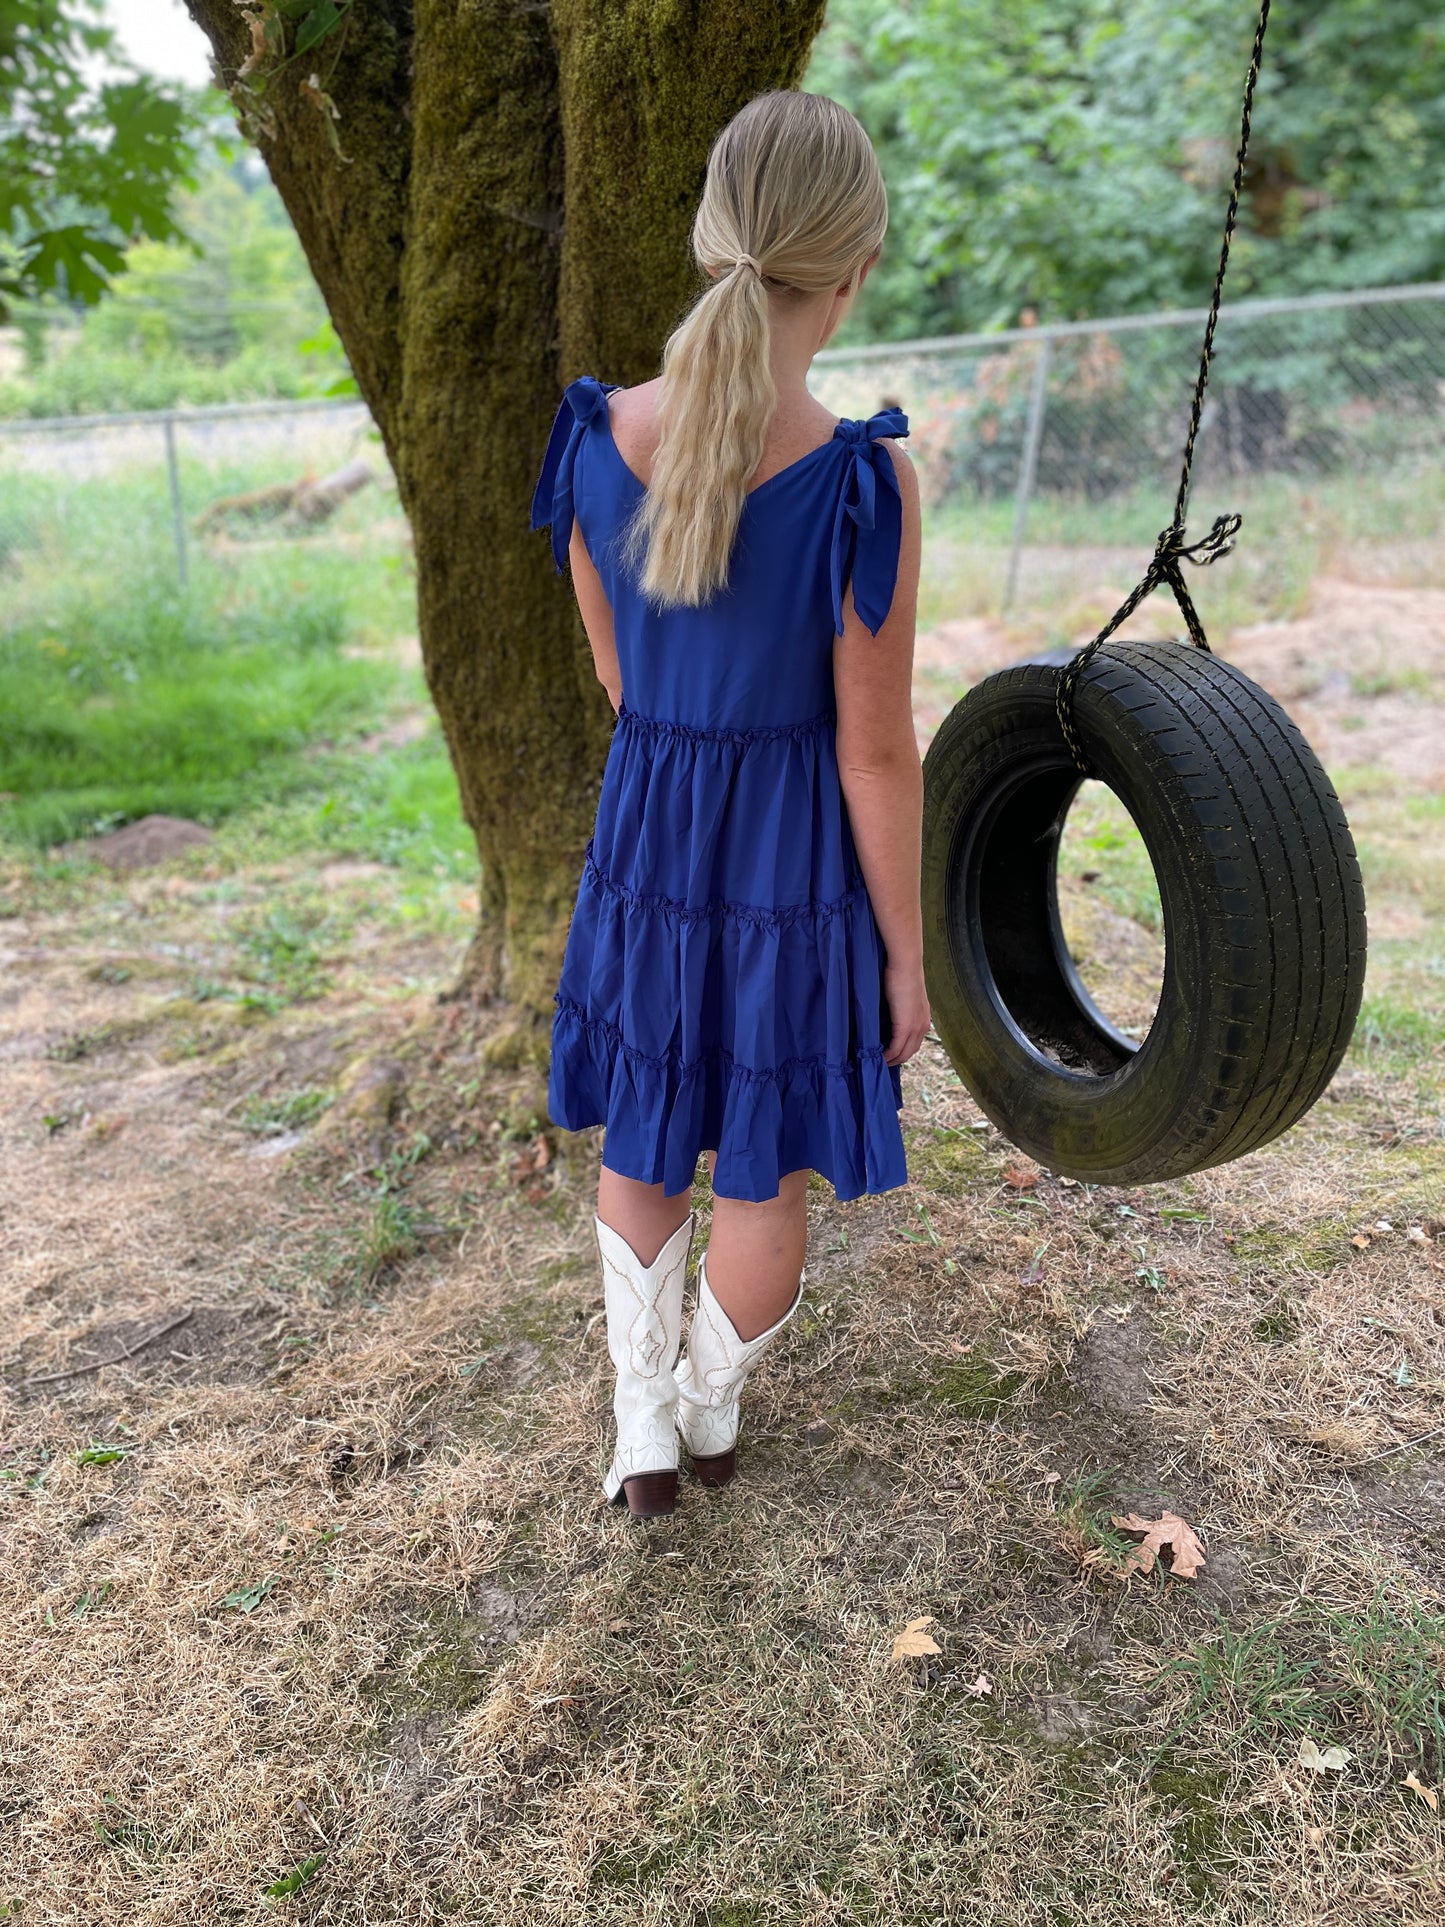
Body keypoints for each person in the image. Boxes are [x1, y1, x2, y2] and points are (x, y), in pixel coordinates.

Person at [529, 89, 927, 1520]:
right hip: (789, 866)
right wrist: (903, 952)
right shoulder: (859, 482)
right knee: (761, 1175)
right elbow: (874, 755)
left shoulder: (591, 440)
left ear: (713, 241)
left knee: (644, 1136)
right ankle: (703, 1408)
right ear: (855, 264)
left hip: (648, 840)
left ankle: (642, 1423)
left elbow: (623, 685)